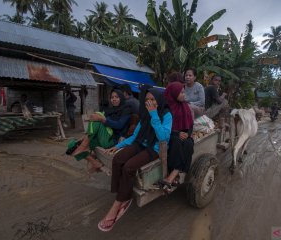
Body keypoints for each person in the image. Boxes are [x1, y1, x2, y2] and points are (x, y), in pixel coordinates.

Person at [98, 85, 172, 232]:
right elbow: (135, 135)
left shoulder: (166, 114)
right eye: (146, 100)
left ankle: (119, 203)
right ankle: (122, 193)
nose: (149, 103)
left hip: (154, 148)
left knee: (129, 167)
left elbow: (163, 138)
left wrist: (154, 115)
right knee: (118, 159)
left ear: (159, 100)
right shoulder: (144, 113)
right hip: (141, 143)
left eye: (152, 100)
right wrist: (120, 146)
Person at [69, 89, 131, 173]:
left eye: (117, 97)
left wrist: (103, 119)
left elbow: (119, 125)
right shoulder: (110, 110)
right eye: (112, 97)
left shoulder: (126, 110)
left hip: (112, 140)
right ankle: (95, 163)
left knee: (97, 118)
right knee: (72, 144)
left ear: (121, 98)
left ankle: (84, 144)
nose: (114, 99)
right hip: (101, 137)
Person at [163, 81, 194, 191]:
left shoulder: (185, 105)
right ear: (174, 93)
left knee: (189, 143)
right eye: (181, 92)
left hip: (183, 134)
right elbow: (164, 127)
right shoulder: (166, 107)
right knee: (175, 142)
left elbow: (190, 124)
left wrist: (187, 134)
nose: (183, 95)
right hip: (171, 134)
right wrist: (177, 133)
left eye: (183, 92)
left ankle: (174, 173)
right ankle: (174, 172)